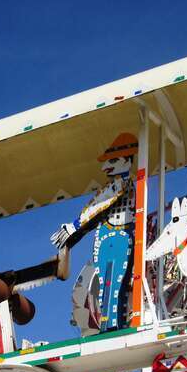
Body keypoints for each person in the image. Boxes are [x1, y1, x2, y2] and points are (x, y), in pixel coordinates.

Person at [51, 132, 137, 331]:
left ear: (126, 160)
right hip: (111, 234)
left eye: (113, 161)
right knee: (109, 282)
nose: (106, 167)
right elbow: (97, 211)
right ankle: (111, 323)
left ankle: (111, 325)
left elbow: (97, 206)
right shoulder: (120, 184)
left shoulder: (120, 184)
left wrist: (73, 226)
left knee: (112, 282)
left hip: (116, 236)